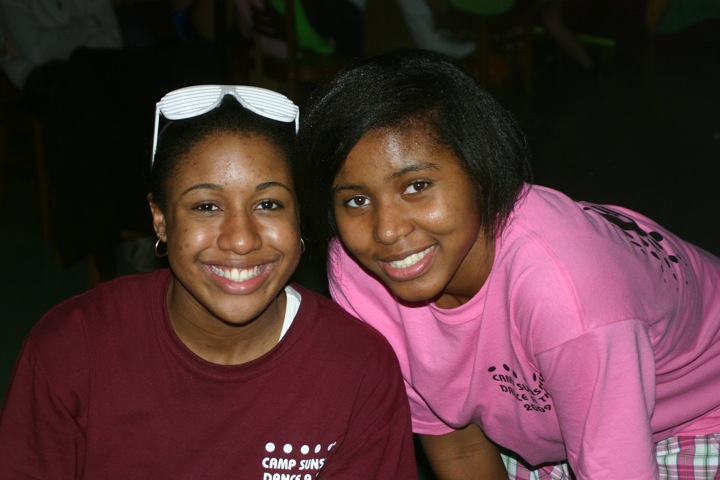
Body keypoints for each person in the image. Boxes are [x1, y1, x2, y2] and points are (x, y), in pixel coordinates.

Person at [295, 49, 720, 479]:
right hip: (552, 433)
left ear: (480, 172)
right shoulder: (359, 273)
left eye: (417, 186)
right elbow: (459, 449)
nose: (387, 231)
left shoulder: (564, 290)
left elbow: (616, 468)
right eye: (357, 200)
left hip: (695, 421)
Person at [0, 84, 418, 478]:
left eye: (269, 204)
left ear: (299, 217)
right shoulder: (72, 348)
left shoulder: (357, 371)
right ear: (160, 218)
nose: (241, 239)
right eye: (206, 206)